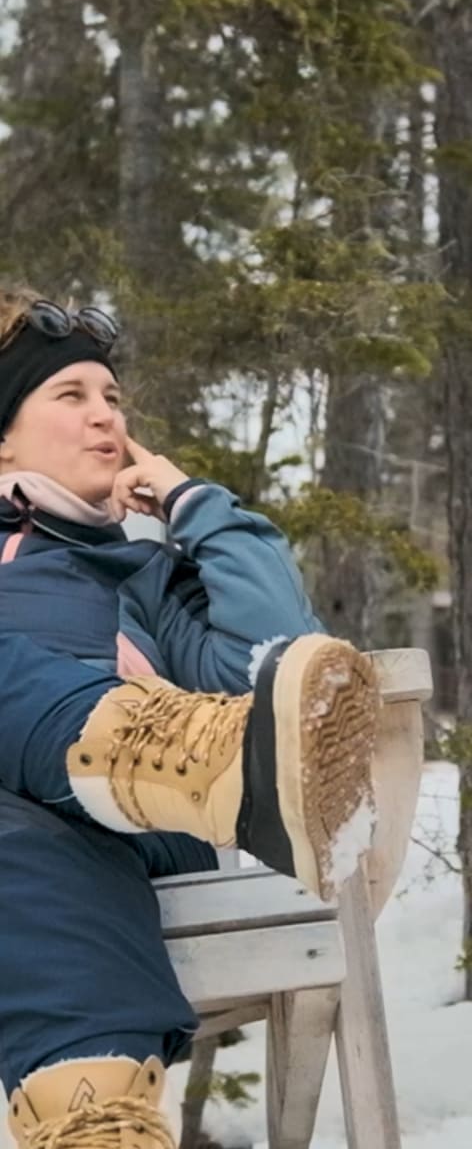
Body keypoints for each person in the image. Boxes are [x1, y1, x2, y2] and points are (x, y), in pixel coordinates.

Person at [0, 287, 384, 1149]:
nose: (106, 415)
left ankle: (199, 762)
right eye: (71, 395)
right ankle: (95, 1127)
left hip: (140, 835)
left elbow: (278, 667)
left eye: (112, 396)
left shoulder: (141, 576)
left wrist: (196, 505)